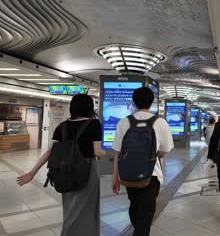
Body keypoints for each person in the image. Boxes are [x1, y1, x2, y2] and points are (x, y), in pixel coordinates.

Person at [17, 94, 106, 236]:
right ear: (90, 108)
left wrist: (32, 173)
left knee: (70, 208)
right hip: (88, 170)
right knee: (87, 208)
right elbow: (98, 153)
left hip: (65, 171)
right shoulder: (94, 124)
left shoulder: (62, 126)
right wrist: (105, 152)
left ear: (72, 108)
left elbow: (51, 152)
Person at [112, 87, 174, 236]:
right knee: (146, 214)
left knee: (134, 205)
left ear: (134, 102)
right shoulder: (160, 122)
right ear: (152, 102)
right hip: (151, 175)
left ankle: (138, 229)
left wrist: (115, 177)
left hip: (128, 173)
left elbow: (117, 154)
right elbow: (165, 150)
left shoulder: (124, 122)